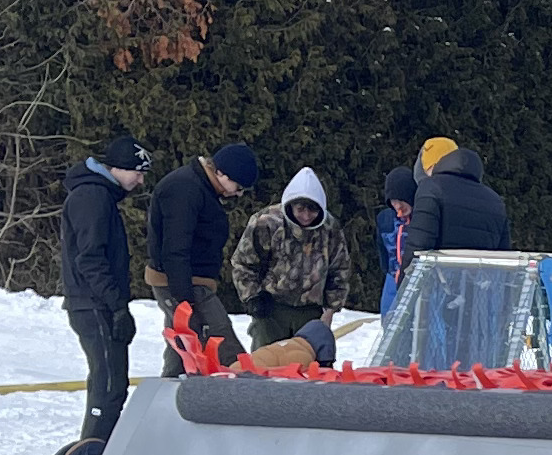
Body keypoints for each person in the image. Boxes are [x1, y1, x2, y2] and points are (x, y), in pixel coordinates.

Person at [37, 134, 149, 455]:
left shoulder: (99, 195)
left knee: (111, 382)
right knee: (107, 383)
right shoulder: (92, 197)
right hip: (93, 305)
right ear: (118, 168)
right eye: (137, 173)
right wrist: (116, 305)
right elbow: (90, 258)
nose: (140, 181)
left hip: (96, 303)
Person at [144, 142, 260, 368]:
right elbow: (176, 246)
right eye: (239, 186)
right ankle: (242, 386)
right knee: (218, 340)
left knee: (184, 345)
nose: (238, 193)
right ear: (221, 173)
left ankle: (172, 393)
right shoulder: (185, 189)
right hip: (183, 282)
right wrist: (183, 298)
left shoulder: (200, 187)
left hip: (191, 281)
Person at [227, 166, 354, 356]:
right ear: (290, 204)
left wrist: (329, 311)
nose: (305, 216)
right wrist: (252, 297)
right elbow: (243, 263)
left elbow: (339, 270)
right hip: (270, 310)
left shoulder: (330, 229)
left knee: (309, 369)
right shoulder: (266, 222)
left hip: (311, 313)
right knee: (266, 365)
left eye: (312, 210)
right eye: (300, 209)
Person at [408, 136, 510, 253]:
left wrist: (405, 270)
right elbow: (504, 254)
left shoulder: (432, 188)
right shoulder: (495, 200)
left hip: (441, 270)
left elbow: (419, 244)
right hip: (482, 271)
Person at [377, 161, 418, 309]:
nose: (398, 206)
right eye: (394, 201)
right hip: (392, 279)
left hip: (416, 281)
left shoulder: (421, 219)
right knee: (389, 321)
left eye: (402, 200)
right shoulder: (385, 219)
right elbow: (382, 251)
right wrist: (389, 270)